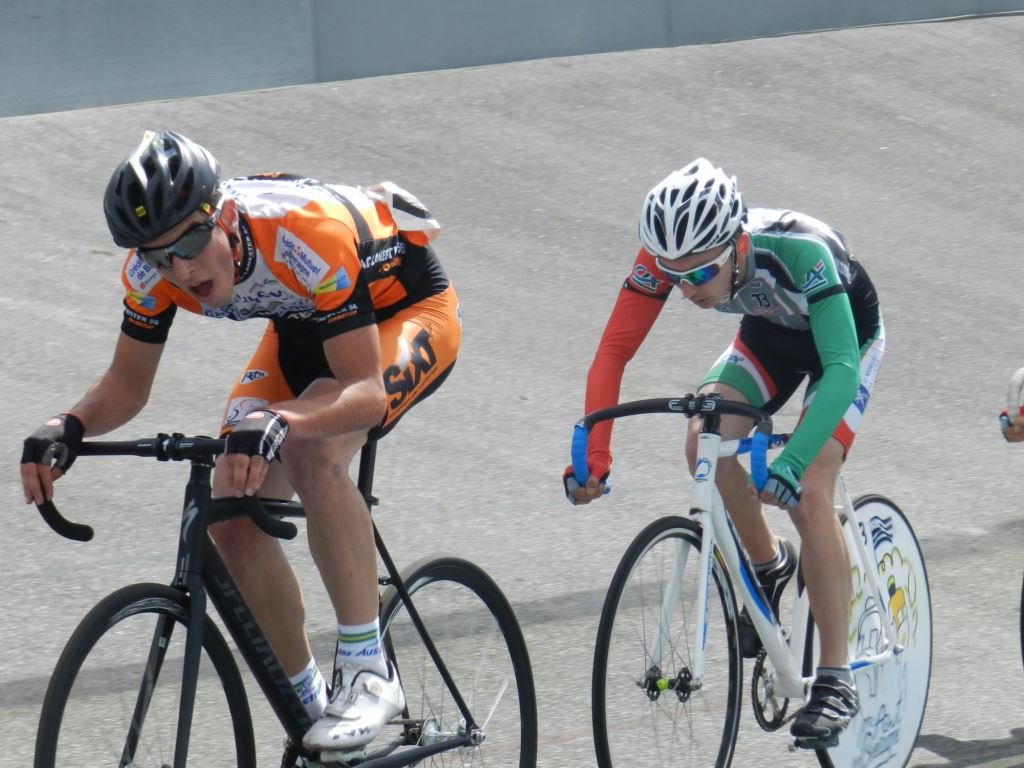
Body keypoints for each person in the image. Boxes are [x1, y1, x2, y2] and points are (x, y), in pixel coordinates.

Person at [20, 130, 462, 757]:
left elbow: (363, 390)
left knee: (311, 451)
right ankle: (312, 707)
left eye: (191, 244)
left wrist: (282, 419)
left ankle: (369, 671)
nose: (181, 269)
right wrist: (69, 424)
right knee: (230, 509)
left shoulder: (304, 234)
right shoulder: (153, 275)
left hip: (405, 312)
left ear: (223, 214)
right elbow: (127, 385)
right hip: (304, 324)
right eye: (159, 256)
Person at [563, 157, 883, 748]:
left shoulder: (799, 253)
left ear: (737, 245)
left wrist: (792, 462)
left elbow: (840, 367)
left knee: (809, 491)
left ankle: (836, 677)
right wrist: (596, 456)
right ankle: (769, 565)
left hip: (845, 344)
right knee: (702, 439)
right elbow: (612, 354)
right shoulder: (670, 259)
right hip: (769, 337)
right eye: (673, 276)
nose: (687, 289)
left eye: (701, 274)